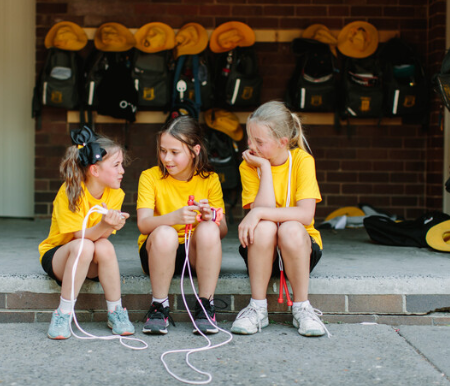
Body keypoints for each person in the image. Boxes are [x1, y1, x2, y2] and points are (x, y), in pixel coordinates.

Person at [230, 101, 328, 337]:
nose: (251, 146)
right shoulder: (250, 165)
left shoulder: (302, 161)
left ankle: (302, 307)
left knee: (291, 228)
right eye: (249, 139)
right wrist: (263, 166)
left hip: (299, 250)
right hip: (263, 252)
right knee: (264, 229)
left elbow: (305, 214)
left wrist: (258, 212)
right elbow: (262, 215)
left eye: (260, 142)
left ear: (283, 142)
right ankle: (257, 308)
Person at [39, 126, 135, 340]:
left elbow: (101, 238)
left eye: (122, 165)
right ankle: (63, 313)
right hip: (59, 257)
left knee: (104, 246)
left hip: (89, 258)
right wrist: (105, 224)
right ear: (95, 170)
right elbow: (77, 237)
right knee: (85, 246)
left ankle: (116, 312)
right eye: (117, 165)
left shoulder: (115, 194)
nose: (122, 171)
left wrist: (112, 225)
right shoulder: (70, 192)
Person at [136, 116, 228, 335]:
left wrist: (209, 217)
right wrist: (174, 217)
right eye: (163, 150)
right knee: (165, 232)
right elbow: (144, 224)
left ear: (195, 150)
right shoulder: (150, 177)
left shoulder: (210, 179)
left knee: (209, 228)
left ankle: (206, 306)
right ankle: (159, 306)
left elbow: (222, 230)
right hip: (157, 251)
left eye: (175, 152)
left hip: (195, 254)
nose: (167, 158)